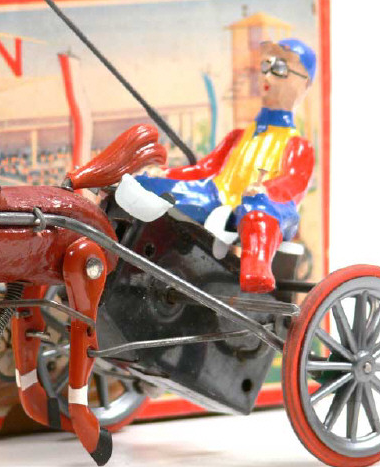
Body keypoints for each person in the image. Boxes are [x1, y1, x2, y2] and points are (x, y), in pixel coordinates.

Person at [135, 39, 316, 293]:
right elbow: (203, 170)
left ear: (304, 83)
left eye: (280, 68)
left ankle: (256, 271)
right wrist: (166, 175)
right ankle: (132, 254)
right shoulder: (238, 136)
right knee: (151, 188)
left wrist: (266, 190)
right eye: (266, 66)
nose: (267, 75)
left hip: (265, 206)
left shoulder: (298, 145)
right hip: (216, 197)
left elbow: (293, 183)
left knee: (257, 209)